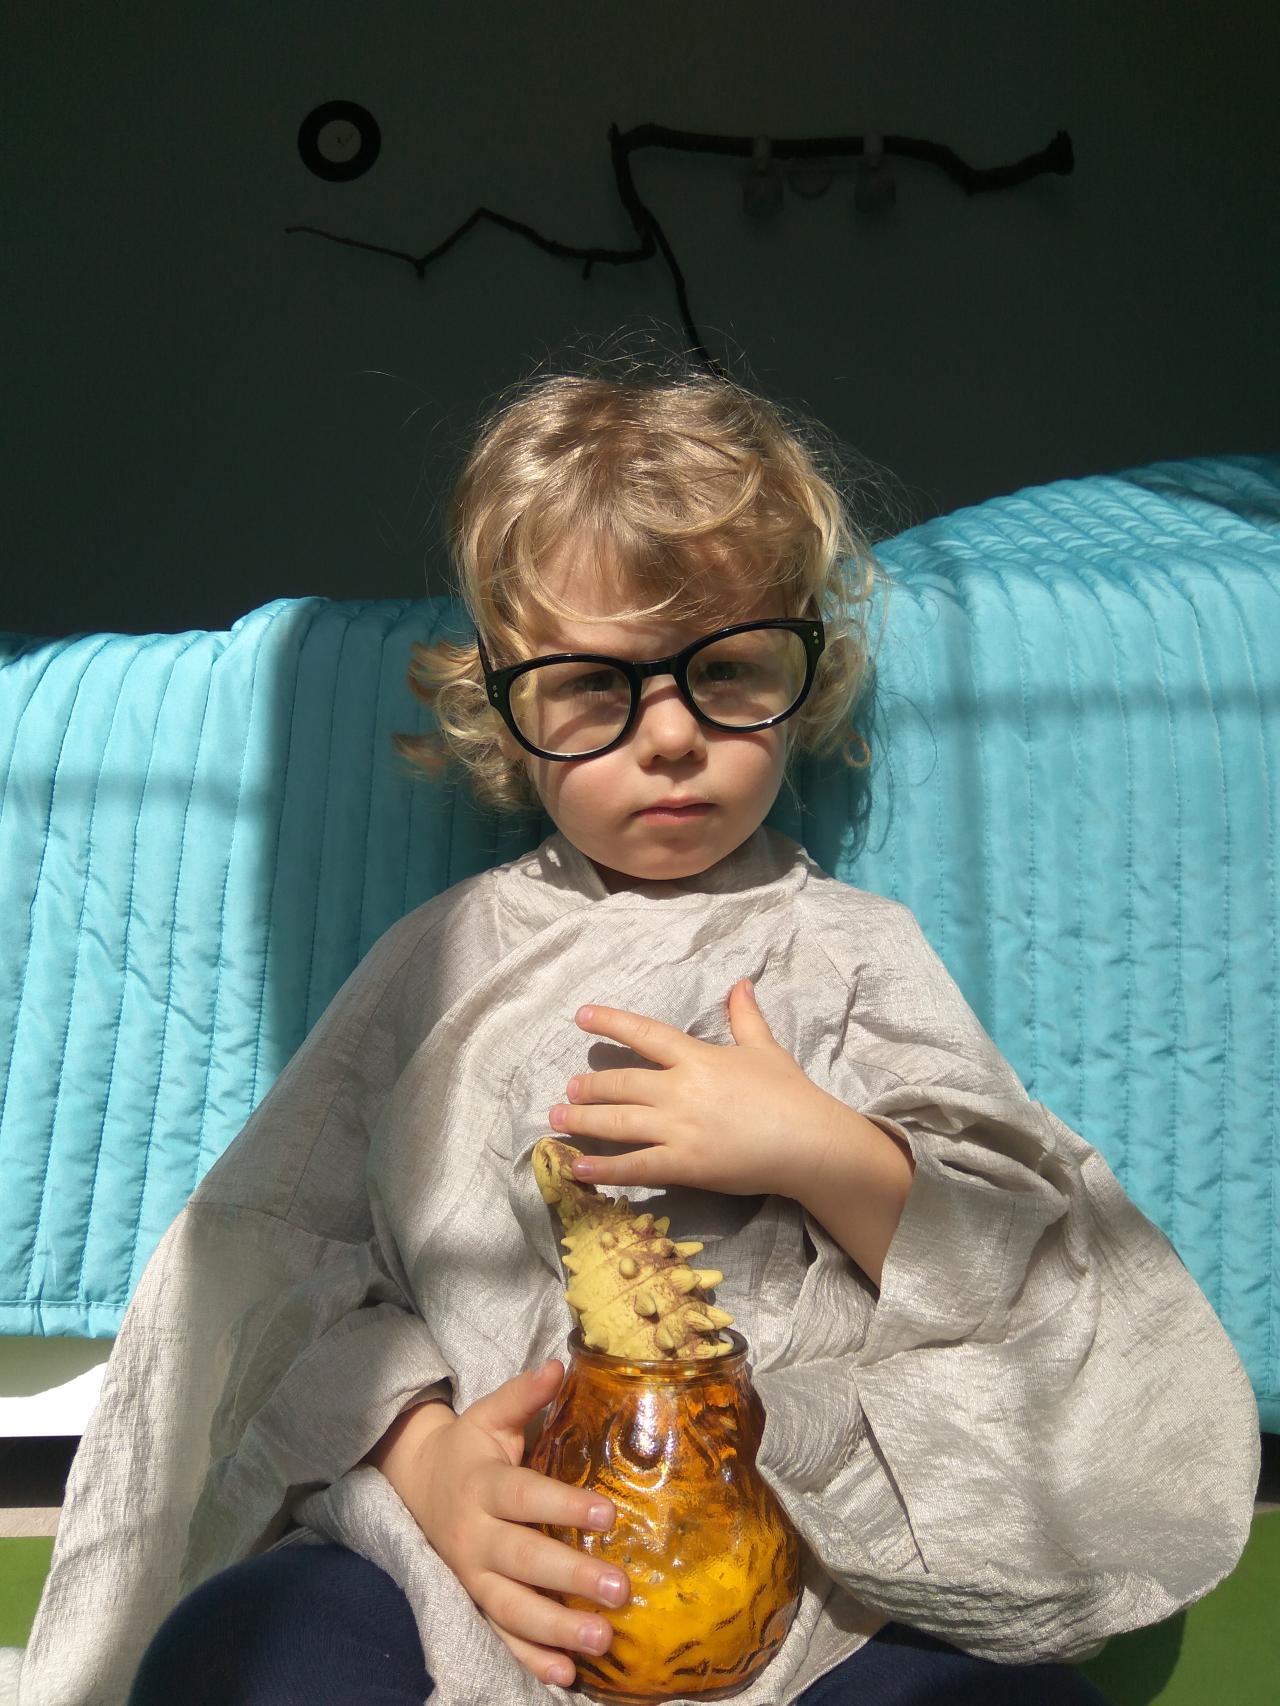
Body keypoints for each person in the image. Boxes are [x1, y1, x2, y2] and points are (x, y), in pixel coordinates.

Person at [25, 362, 1257, 1706]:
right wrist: (424, 1460)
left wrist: (823, 1152)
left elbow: (1030, 1269)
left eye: (725, 671)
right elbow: (273, 1260)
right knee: (234, 1654)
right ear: (506, 710)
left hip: (816, 1582)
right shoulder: (441, 962)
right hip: (474, 1564)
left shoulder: (856, 951)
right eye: (592, 687)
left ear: (803, 674)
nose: (670, 735)